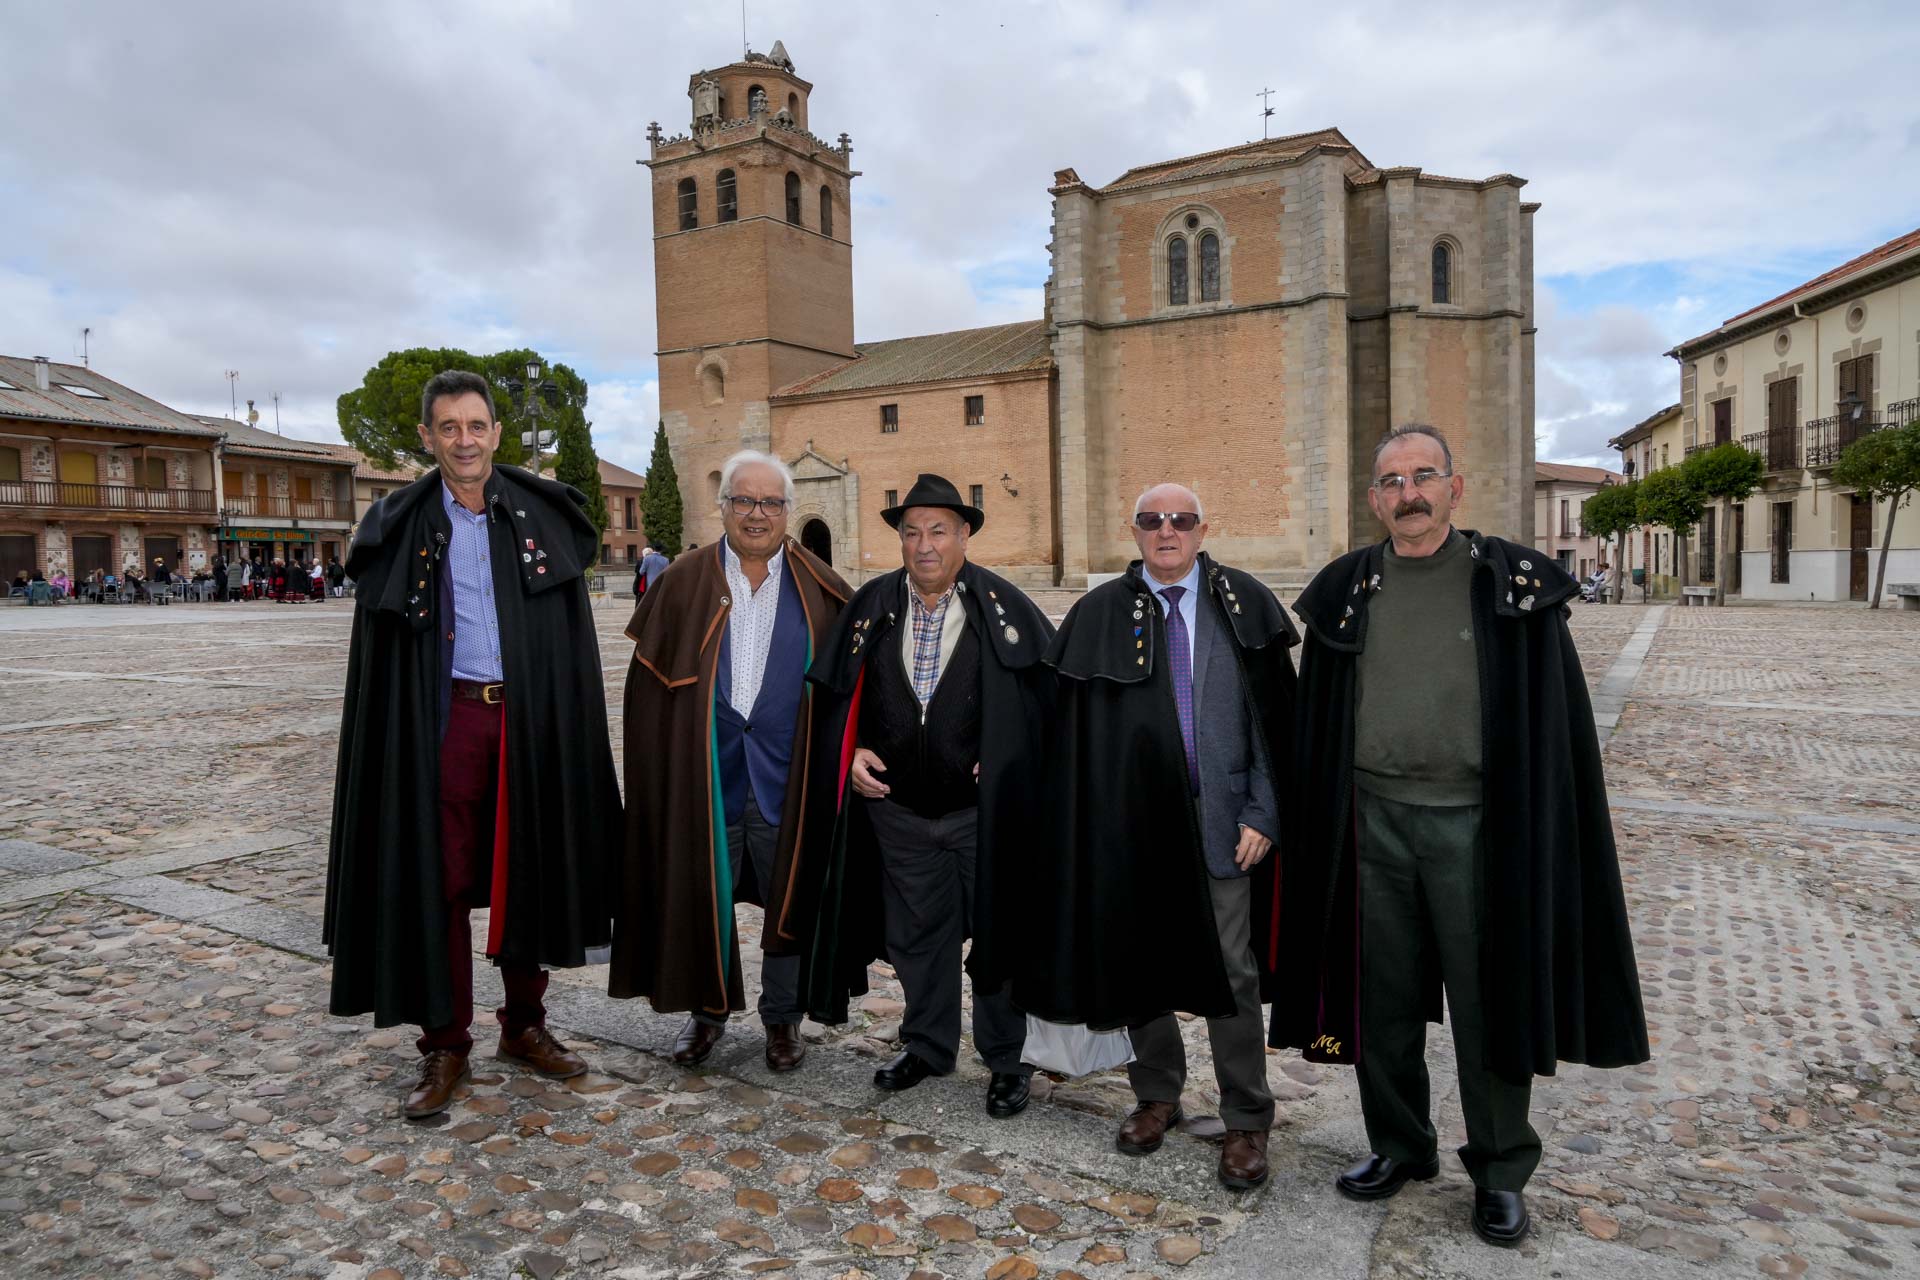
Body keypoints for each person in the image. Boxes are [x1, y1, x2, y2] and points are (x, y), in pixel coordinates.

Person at [1273, 424, 1649, 1247]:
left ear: (1455, 486)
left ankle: (1501, 1168)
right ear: (1375, 498)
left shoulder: (1511, 584)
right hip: (1370, 823)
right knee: (1379, 1003)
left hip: (1479, 829)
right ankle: (1401, 1147)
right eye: (1392, 480)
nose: (1408, 493)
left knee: (1490, 1006)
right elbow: (1316, 724)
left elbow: (1555, 727)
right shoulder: (1344, 589)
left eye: (1423, 476)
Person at [324, 369, 623, 1120]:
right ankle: (445, 1043)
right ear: (427, 437)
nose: (465, 440)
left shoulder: (539, 517)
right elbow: (383, 660)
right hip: (443, 722)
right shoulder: (397, 527)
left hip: (528, 722)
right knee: (441, 881)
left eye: (477, 425)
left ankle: (524, 1026)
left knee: (531, 870)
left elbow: (564, 643)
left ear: (496, 432)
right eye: (449, 428)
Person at [1017, 483, 1296, 1190]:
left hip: (1225, 825)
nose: (1165, 531)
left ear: (1204, 528)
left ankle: (1245, 1118)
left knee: (1233, 971)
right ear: (1133, 530)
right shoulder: (1099, 614)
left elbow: (1276, 721)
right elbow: (1069, 733)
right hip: (1130, 826)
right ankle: (1158, 1094)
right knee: (1139, 964)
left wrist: (1265, 810)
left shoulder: (1245, 603)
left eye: (1179, 520)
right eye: (1151, 520)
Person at [800, 474, 1054, 1117]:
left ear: (964, 534)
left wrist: (1007, 754)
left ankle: (1005, 1058)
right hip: (900, 813)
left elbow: (1046, 707)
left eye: (938, 530)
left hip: (982, 817)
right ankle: (929, 1044)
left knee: (999, 938)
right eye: (912, 532)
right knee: (918, 937)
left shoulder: (1007, 608)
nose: (924, 545)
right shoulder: (873, 605)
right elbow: (834, 698)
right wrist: (849, 749)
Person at [609, 451, 850, 1073]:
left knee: (790, 901)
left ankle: (782, 1020)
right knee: (698, 894)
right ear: (724, 508)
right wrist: (659, 774)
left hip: (786, 778)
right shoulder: (682, 581)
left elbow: (851, 693)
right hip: (705, 775)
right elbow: (646, 697)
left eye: (770, 503)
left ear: (787, 513)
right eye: (744, 500)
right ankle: (705, 1014)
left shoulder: (822, 588)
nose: (757, 514)